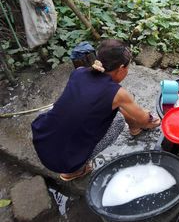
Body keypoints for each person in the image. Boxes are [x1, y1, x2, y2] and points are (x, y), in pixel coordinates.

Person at [31, 39, 160, 181]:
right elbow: (144, 120)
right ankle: (74, 171)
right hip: (64, 162)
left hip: (42, 142)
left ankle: (133, 128)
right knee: (117, 121)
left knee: (111, 108)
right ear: (122, 68)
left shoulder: (79, 72)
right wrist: (153, 120)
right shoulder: (118, 94)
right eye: (128, 68)